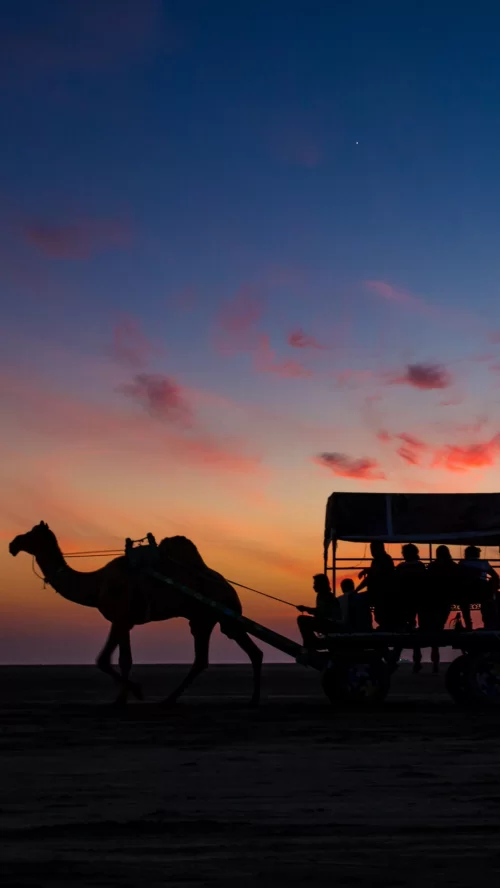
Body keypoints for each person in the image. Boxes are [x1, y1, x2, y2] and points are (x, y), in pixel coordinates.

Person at [423, 545, 458, 672]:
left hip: (433, 599)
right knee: (439, 626)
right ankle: (435, 659)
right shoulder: (452, 565)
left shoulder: (433, 566)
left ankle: (435, 657)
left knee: (433, 627)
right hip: (446, 599)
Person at [394, 543, 427, 672]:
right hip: (419, 600)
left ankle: (395, 658)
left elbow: (397, 583)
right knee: (415, 630)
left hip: (405, 602)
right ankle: (417, 659)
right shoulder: (420, 566)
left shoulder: (401, 567)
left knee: (403, 630)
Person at [458, 545, 500, 629]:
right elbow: (495, 576)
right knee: (488, 602)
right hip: (483, 591)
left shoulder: (462, 563)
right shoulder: (483, 563)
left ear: (466, 554)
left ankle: (468, 624)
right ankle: (489, 624)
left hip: (467, 591)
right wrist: (493, 588)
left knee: (464, 603)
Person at [356, 541, 395, 629]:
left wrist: (368, 571)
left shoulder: (385, 559)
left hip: (383, 593)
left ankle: (365, 626)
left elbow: (376, 573)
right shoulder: (377, 560)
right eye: (371, 549)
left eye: (373, 549)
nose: (372, 552)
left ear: (380, 548)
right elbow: (370, 577)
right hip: (376, 592)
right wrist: (357, 589)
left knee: (359, 601)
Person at [296, 574, 341, 649]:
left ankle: (311, 642)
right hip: (328, 623)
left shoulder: (326, 595)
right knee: (302, 620)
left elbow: (322, 612)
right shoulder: (323, 595)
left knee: (301, 620)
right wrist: (306, 609)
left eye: (315, 584)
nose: (314, 586)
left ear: (321, 584)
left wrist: (306, 609)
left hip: (331, 625)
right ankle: (311, 642)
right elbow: (320, 611)